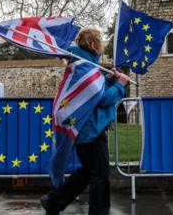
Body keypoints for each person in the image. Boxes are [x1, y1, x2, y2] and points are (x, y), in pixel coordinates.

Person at [41, 28, 129, 215]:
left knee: (88, 172)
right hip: (91, 130)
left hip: (85, 128)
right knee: (100, 176)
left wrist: (108, 78)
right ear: (92, 45)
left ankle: (54, 201)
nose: (102, 49)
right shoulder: (85, 66)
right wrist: (120, 86)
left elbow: (93, 90)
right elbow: (103, 97)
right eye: (101, 45)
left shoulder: (83, 64)